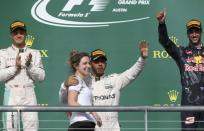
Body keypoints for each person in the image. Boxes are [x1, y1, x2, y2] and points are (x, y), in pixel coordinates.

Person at [59, 40, 148, 131]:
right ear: (91, 64)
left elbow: (132, 73)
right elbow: (65, 100)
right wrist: (64, 85)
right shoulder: (83, 81)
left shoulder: (115, 80)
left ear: (106, 63)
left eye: (103, 61)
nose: (100, 64)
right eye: (96, 61)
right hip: (93, 128)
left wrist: (142, 59)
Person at [157, 9, 204, 131]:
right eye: (191, 31)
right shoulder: (181, 53)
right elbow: (165, 42)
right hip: (189, 104)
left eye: (196, 31)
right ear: (187, 34)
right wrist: (162, 24)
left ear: (201, 32)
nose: (194, 34)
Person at [0, 21, 45, 131]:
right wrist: (15, 67)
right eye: (15, 33)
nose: (19, 35)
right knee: (10, 129)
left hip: (29, 93)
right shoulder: (3, 53)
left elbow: (41, 77)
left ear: (25, 34)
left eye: (21, 32)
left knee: (32, 129)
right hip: (11, 93)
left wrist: (29, 66)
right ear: (11, 35)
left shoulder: (35, 53)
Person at [61, 50, 102, 131]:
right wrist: (93, 113)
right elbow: (71, 102)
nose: (89, 66)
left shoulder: (81, 81)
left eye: (89, 63)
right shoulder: (76, 80)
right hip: (81, 125)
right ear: (76, 66)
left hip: (85, 124)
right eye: (85, 63)